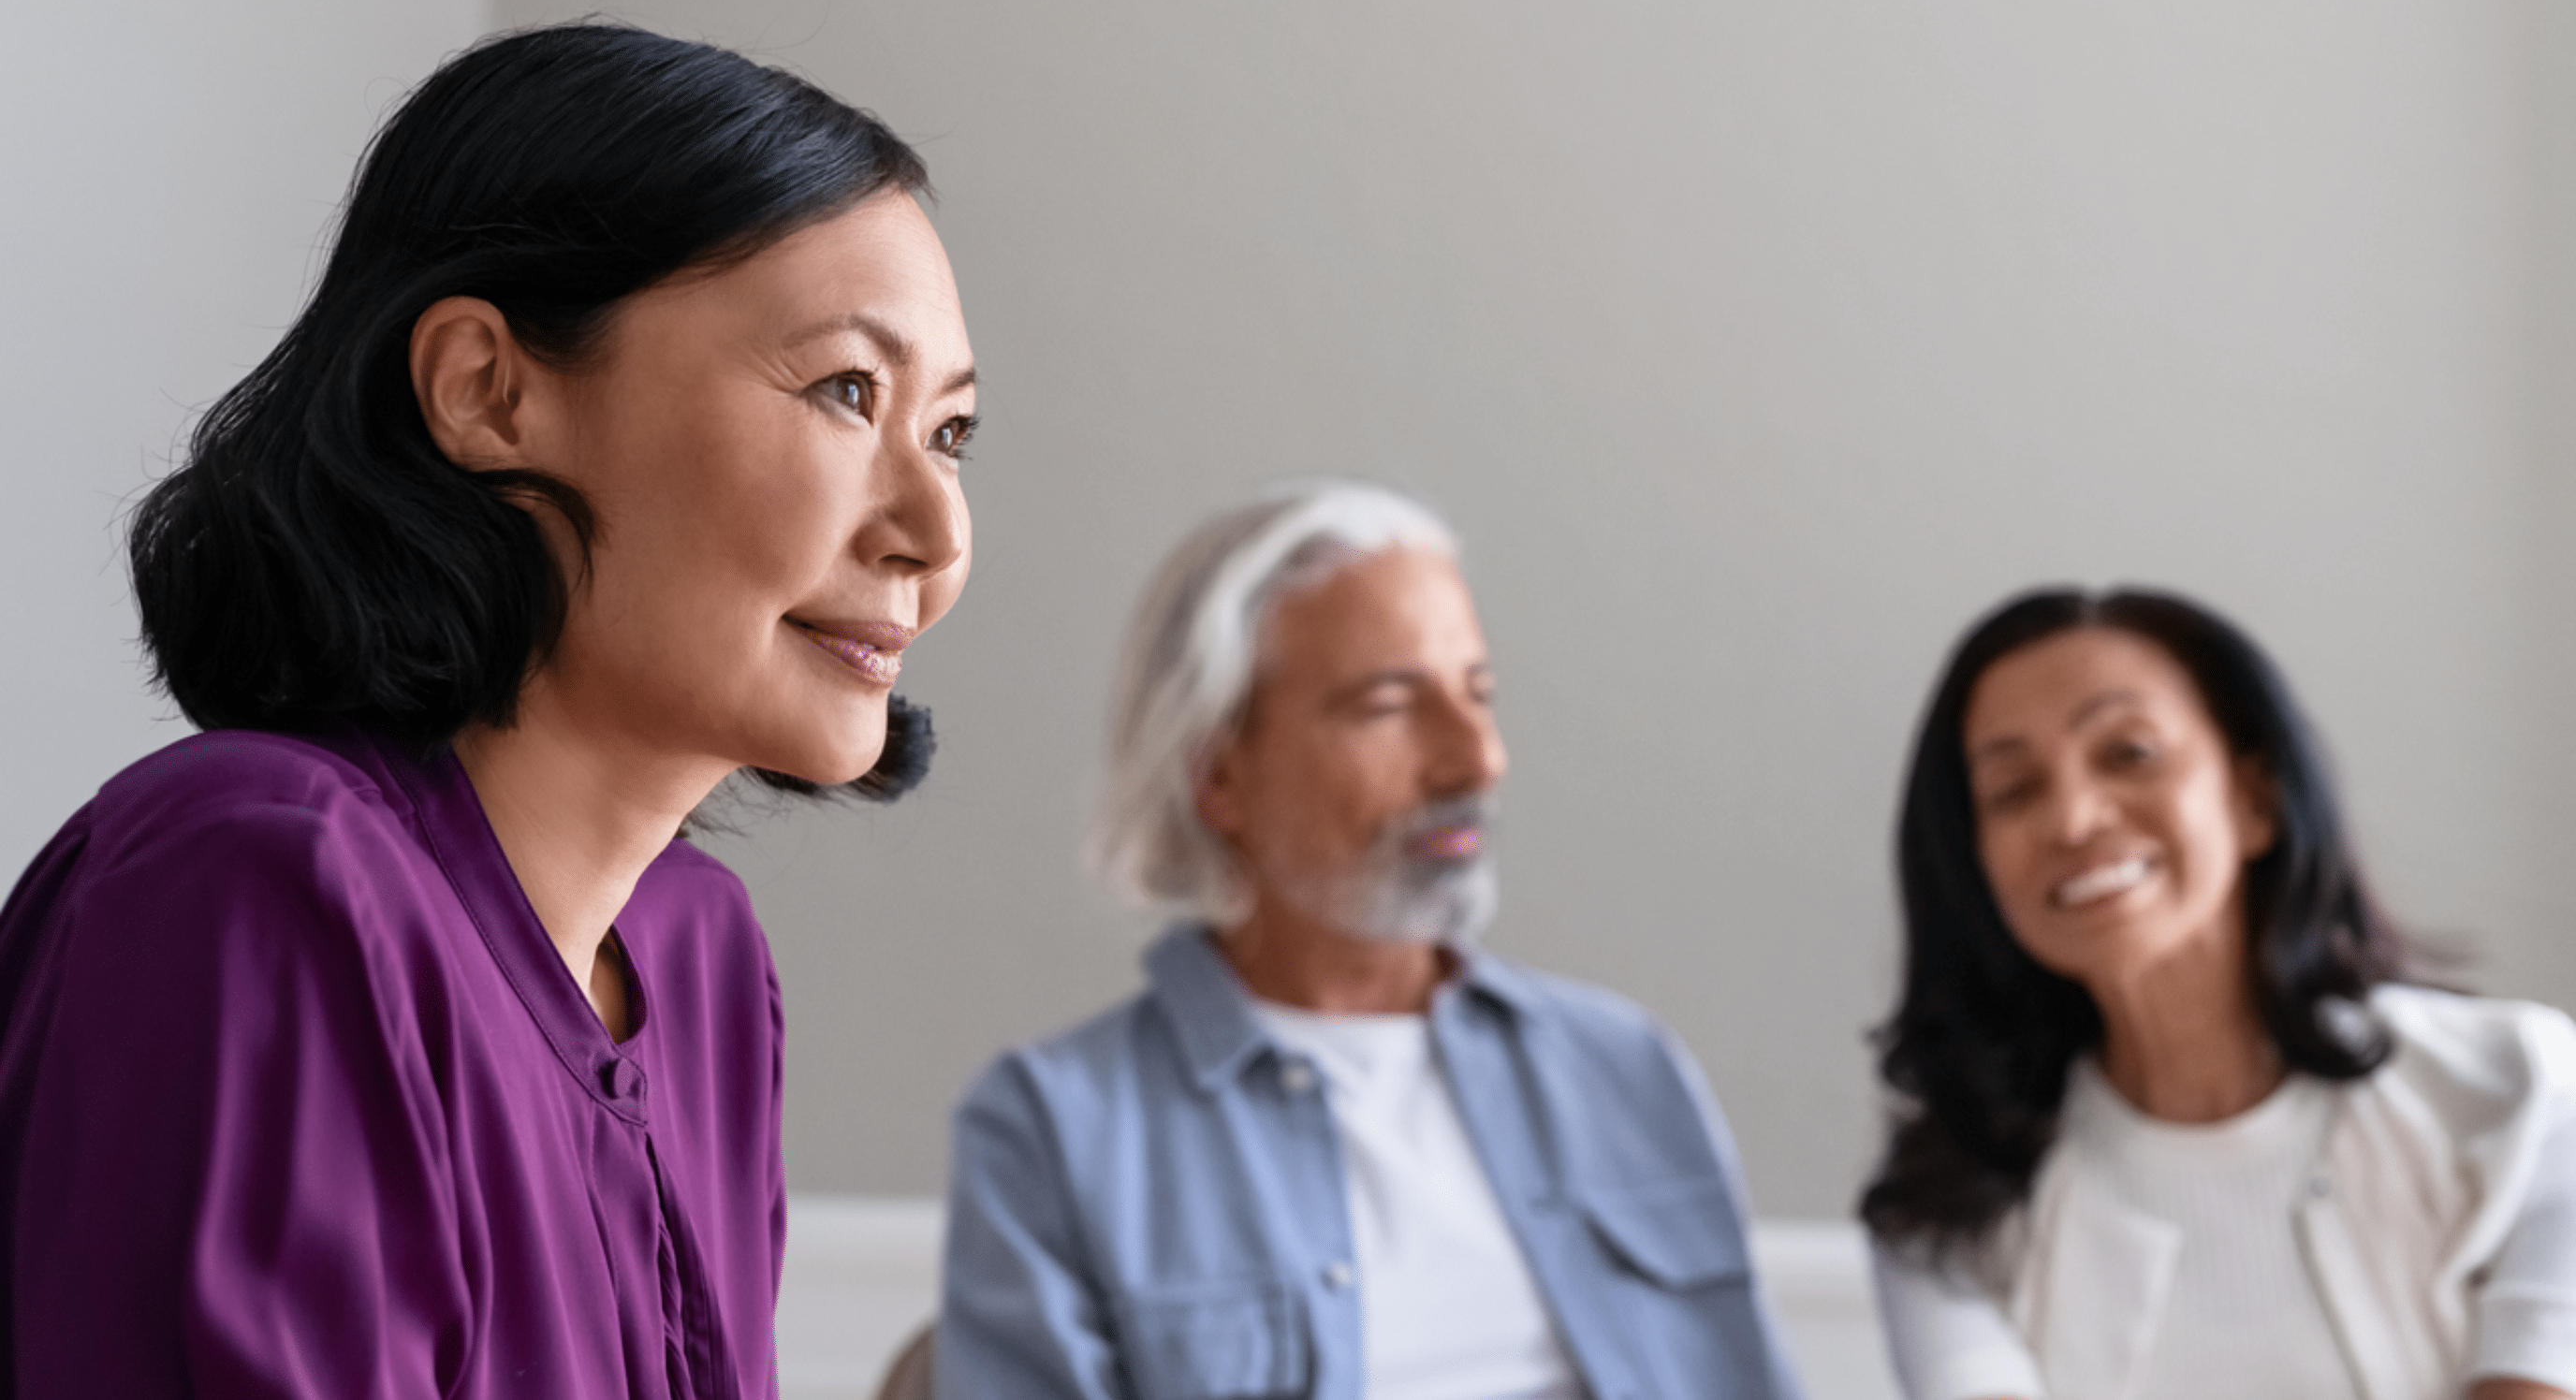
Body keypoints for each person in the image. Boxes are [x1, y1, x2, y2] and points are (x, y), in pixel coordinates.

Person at [0, 25, 976, 1397]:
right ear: (485, 390)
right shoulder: (256, 882)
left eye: (950, 433)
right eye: (843, 391)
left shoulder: (701, 963)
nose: (934, 531)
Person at [935, 481, 1803, 1400]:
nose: (1475, 760)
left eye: (1480, 694)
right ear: (1218, 776)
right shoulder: (1050, 1127)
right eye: (1389, 705)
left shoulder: (1626, 1069)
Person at [1862, 588, 2576, 1400]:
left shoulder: (2522, 1091)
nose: (2071, 817)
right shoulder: (1945, 1202)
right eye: (2014, 790)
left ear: (2255, 800)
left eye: (2128, 752)